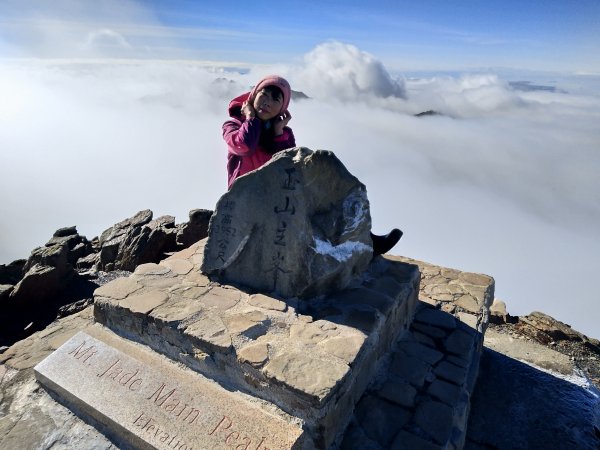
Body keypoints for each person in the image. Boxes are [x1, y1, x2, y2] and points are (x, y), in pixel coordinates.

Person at [222, 74, 402, 255]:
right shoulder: (234, 125)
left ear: (282, 108)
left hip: (278, 192)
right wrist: (250, 118)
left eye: (276, 99)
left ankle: (366, 240)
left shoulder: (282, 132)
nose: (267, 102)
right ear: (253, 95)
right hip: (248, 198)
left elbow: (289, 163)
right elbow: (244, 146)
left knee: (330, 185)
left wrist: (278, 133)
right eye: (264, 95)